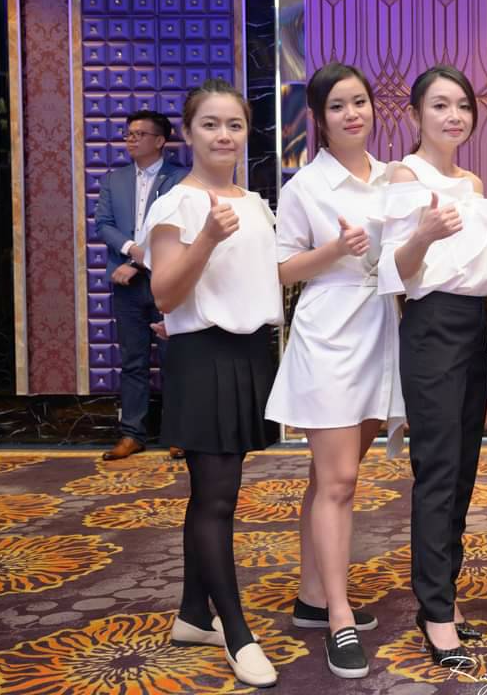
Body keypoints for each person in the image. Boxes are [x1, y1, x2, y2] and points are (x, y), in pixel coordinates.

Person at [264, 62, 404, 679]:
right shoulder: (306, 186)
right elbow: (279, 270)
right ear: (318, 119)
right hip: (329, 334)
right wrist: (335, 249)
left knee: (330, 478)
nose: (353, 114)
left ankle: (312, 597)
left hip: (381, 331)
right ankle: (340, 617)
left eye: (360, 102)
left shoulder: (393, 178)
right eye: (338, 106)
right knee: (340, 481)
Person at [146, 79, 284, 688]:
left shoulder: (252, 201)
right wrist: (205, 236)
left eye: (234, 124)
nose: (223, 135)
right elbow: (165, 293)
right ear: (187, 132)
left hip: (249, 352)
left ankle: (191, 615)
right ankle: (236, 631)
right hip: (202, 354)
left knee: (212, 494)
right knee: (218, 498)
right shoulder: (175, 204)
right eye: (210, 124)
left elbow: (269, 274)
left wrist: (337, 249)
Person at [377, 65, 487, 670]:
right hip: (431, 327)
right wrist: (422, 234)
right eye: (440, 105)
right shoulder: (405, 175)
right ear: (416, 114)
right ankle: (435, 609)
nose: (454, 116)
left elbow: (482, 269)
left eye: (462, 106)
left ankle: (442, 596)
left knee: (465, 469)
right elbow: (394, 272)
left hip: (477, 327)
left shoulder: (473, 182)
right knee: (438, 471)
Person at [95, 110, 187, 461]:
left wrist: (136, 263)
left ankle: (179, 433)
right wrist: (132, 250)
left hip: (168, 281)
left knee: (174, 359)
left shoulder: (181, 180)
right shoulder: (114, 180)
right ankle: (132, 434)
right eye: (128, 134)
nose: (131, 139)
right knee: (132, 361)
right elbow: (103, 224)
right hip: (127, 287)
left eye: (139, 134)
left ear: (160, 141)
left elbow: (179, 228)